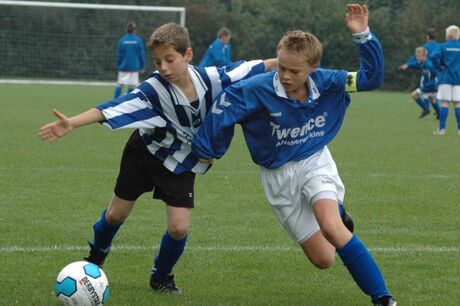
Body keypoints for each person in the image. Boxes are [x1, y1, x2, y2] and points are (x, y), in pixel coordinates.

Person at [39, 22, 276, 293]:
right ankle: (96, 258)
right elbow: (110, 109)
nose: (163, 67)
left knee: (178, 228)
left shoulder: (213, 79)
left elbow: (253, 67)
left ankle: (161, 276)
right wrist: (72, 122)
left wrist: (284, 60)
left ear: (188, 55)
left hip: (181, 162)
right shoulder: (153, 89)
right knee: (116, 215)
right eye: (158, 61)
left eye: (169, 59)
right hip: (144, 154)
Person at [192, 4, 396, 306]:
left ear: (313, 67)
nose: (285, 75)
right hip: (278, 177)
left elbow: (370, 78)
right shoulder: (254, 90)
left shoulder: (329, 81)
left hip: (315, 161)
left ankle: (383, 299)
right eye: (282, 67)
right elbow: (224, 111)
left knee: (331, 226)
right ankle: (338, 215)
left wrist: (363, 35)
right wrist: (209, 151)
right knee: (324, 258)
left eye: (294, 71)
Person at [399, 28, 441, 118]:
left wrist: (407, 64)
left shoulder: (425, 51)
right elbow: (417, 64)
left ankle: (426, 109)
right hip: (436, 79)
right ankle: (439, 112)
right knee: (432, 98)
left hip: (430, 81)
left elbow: (416, 61)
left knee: (417, 94)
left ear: (427, 36)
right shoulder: (439, 47)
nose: (417, 57)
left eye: (418, 56)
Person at [431, 25, 460, 135]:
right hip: (458, 79)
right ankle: (459, 129)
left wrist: (439, 66)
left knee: (444, 103)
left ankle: (442, 129)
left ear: (449, 36)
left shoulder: (443, 46)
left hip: (445, 78)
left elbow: (433, 56)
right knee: (458, 104)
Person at [114, 21, 146, 98]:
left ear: (126, 30)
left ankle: (114, 101)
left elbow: (119, 55)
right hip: (134, 67)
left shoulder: (122, 40)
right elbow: (141, 55)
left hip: (123, 67)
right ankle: (127, 101)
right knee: (132, 86)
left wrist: (118, 65)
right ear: (135, 30)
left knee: (120, 84)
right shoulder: (138, 41)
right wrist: (142, 66)